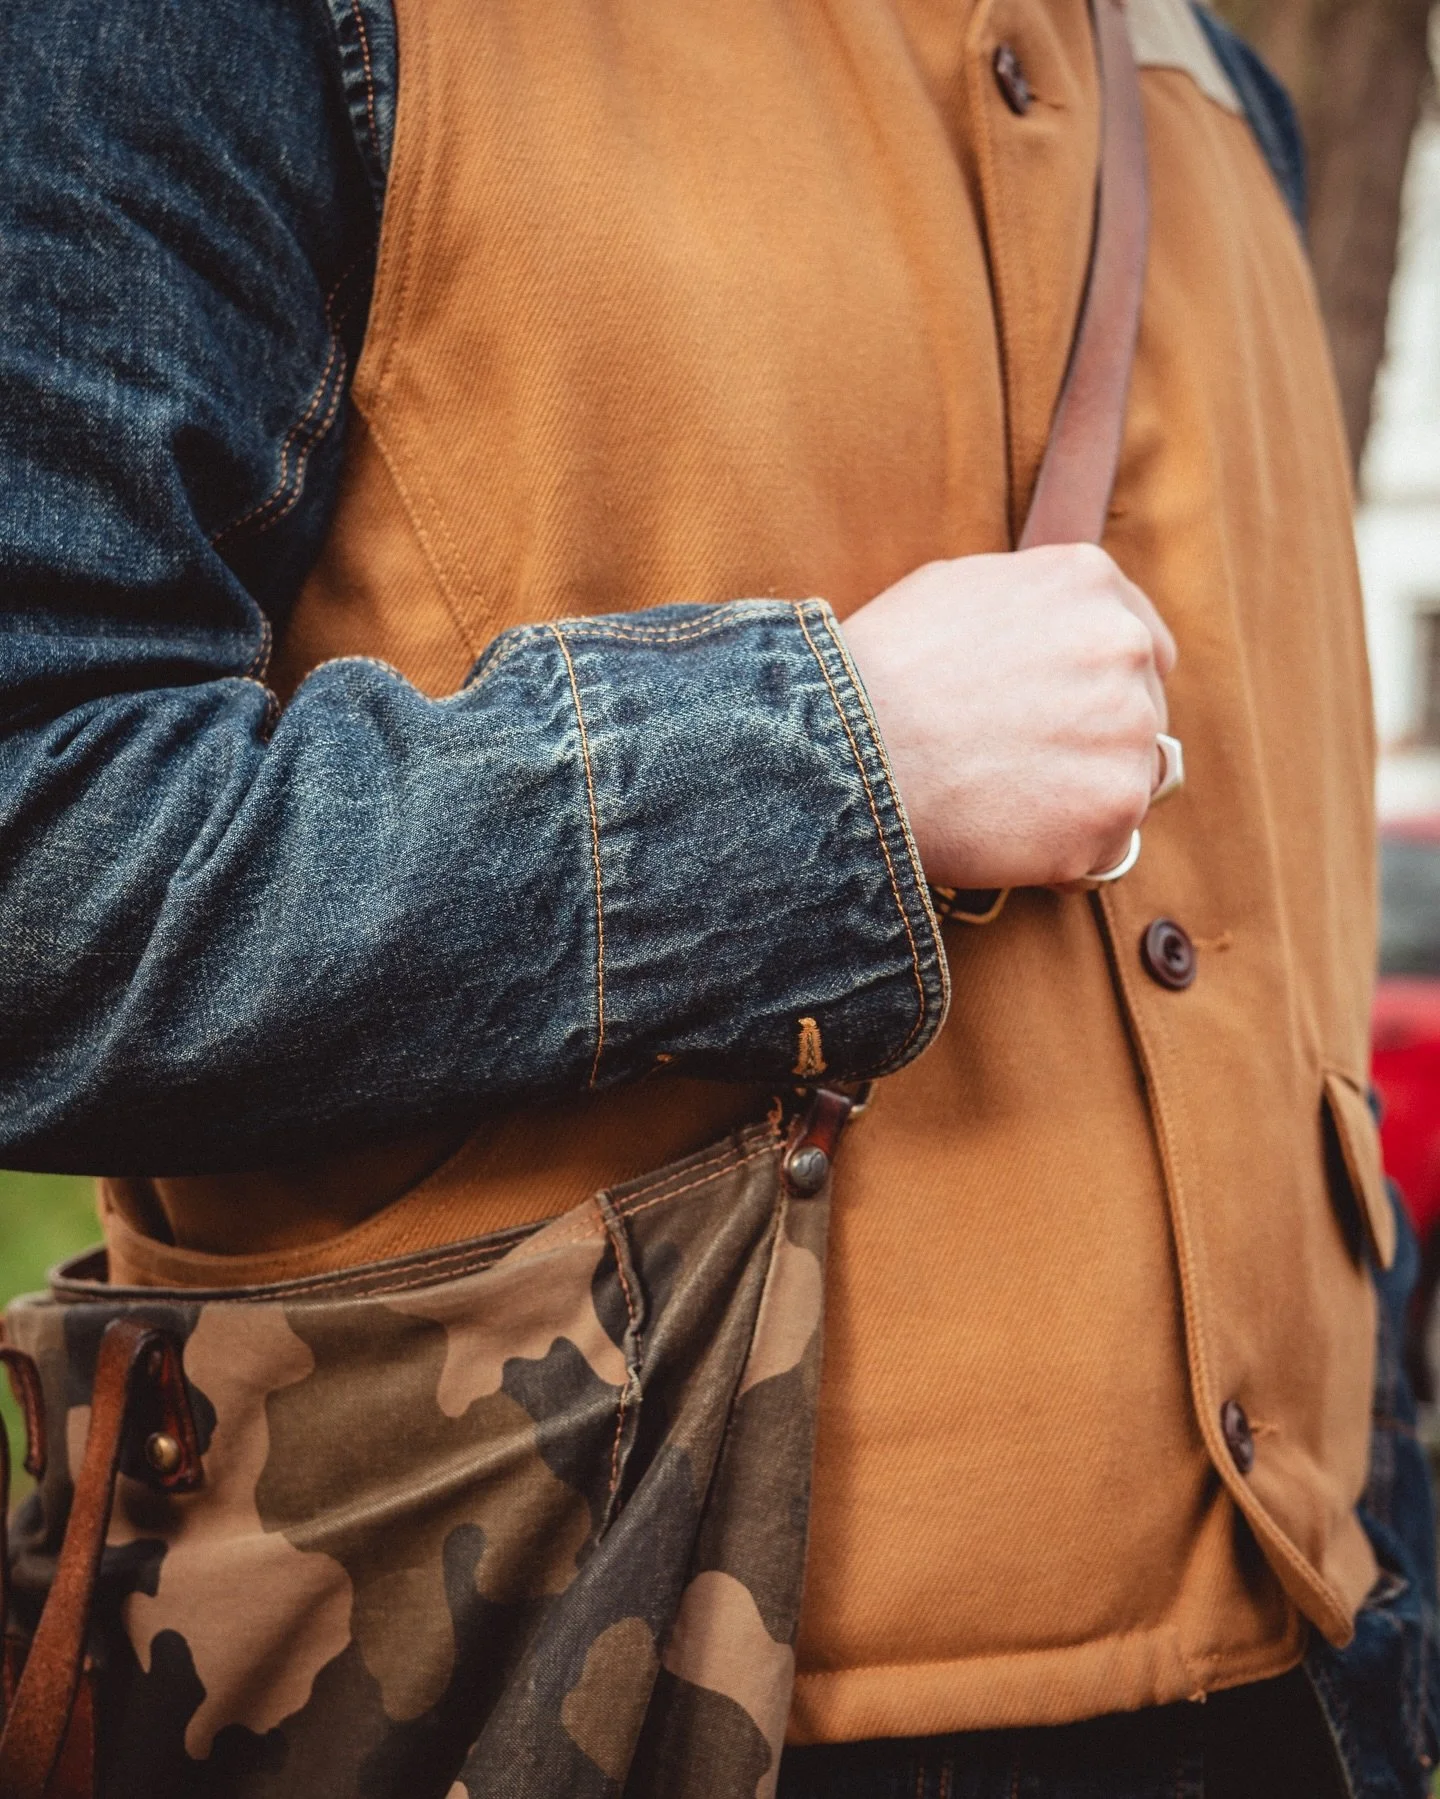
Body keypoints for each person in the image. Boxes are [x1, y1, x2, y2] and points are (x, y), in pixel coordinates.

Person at [0, 0, 1434, 1793]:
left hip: (1318, 1677)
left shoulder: (1218, 83)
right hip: (586, 1689)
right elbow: (43, 874)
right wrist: (837, 766)